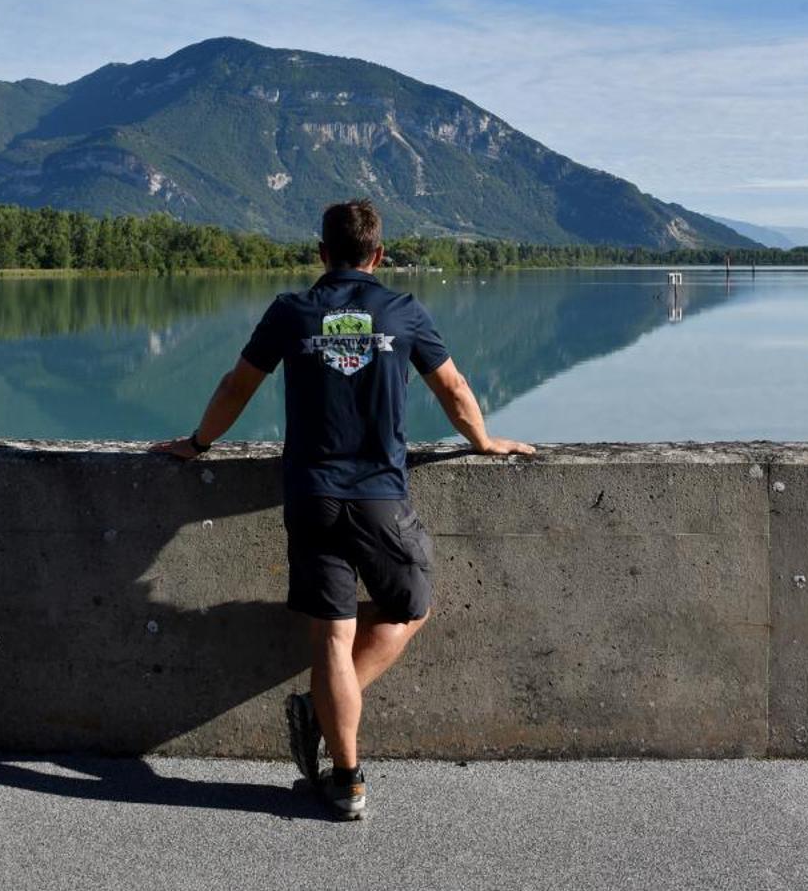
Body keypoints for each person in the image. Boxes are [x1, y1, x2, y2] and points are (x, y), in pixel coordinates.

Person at [152, 198, 533, 819]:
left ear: (322, 253)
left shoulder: (292, 311)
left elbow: (236, 385)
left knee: (332, 633)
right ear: (377, 256)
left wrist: (198, 444)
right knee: (412, 606)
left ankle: (348, 779)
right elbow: (456, 389)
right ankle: (322, 715)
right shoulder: (402, 311)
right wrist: (484, 443)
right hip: (381, 496)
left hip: (311, 495)